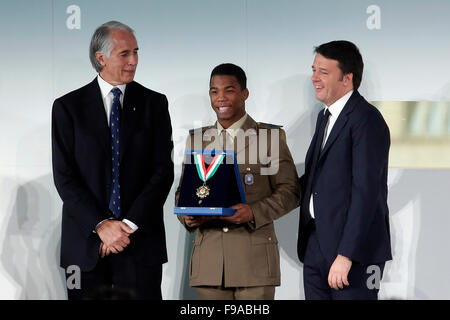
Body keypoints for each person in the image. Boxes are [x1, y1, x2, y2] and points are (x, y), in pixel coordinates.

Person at [51, 21, 173, 300]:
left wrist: (126, 225)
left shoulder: (154, 104)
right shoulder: (68, 107)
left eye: (136, 52)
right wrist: (102, 226)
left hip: (139, 244)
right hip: (86, 248)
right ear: (101, 57)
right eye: (124, 54)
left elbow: (162, 171)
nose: (133, 61)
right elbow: (65, 177)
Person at [176, 63, 300, 300]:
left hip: (254, 262)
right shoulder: (197, 139)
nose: (220, 98)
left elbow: (291, 192)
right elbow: (184, 191)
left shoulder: (269, 138)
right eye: (214, 91)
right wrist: (188, 216)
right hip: (210, 263)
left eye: (229, 90)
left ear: (244, 93)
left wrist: (253, 212)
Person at [297, 40, 392, 300]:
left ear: (347, 78)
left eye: (323, 72)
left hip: (352, 252)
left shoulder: (366, 119)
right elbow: (317, 179)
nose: (314, 78)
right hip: (317, 243)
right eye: (314, 70)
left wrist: (346, 254)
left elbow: (366, 192)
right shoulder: (324, 117)